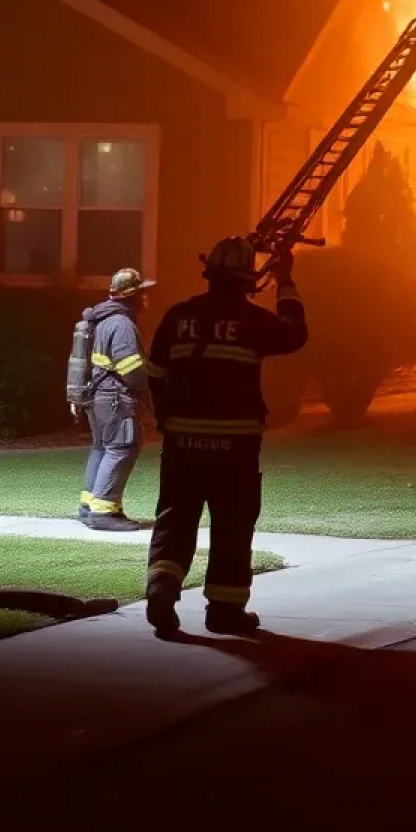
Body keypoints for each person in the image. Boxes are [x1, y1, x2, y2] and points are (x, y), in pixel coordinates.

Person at [143, 236, 308, 637]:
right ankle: (224, 611)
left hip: (182, 442)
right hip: (235, 445)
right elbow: (294, 334)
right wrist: (285, 280)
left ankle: (162, 587)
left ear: (210, 273)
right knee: (233, 525)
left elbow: (155, 372)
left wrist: (167, 416)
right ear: (248, 279)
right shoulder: (252, 321)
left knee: (176, 517)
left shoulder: (178, 315)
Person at [74, 267, 156, 532]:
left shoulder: (102, 320)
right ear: (131, 296)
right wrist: (151, 398)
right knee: (122, 446)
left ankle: (91, 505)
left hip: (99, 397)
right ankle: (104, 510)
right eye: (143, 293)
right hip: (115, 398)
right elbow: (132, 370)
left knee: (102, 448)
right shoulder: (122, 325)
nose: (146, 299)